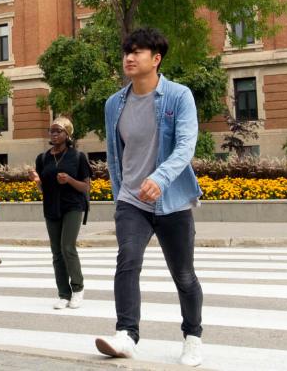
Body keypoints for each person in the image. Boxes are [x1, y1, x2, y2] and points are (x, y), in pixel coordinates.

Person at [95, 28, 203, 367]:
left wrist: (161, 177)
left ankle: (192, 337)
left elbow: (186, 145)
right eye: (127, 51)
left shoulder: (178, 95)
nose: (129, 57)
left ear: (155, 59)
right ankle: (126, 335)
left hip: (172, 200)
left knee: (183, 274)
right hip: (132, 199)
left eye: (137, 51)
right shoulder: (115, 103)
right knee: (127, 260)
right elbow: (115, 155)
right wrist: (120, 196)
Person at [28, 116, 91, 309]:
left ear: (67, 134)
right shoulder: (43, 158)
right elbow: (43, 189)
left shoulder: (78, 157)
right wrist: (36, 180)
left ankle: (78, 288)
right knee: (56, 252)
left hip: (72, 206)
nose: (54, 134)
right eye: (52, 131)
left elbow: (86, 187)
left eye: (58, 131)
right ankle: (64, 293)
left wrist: (70, 180)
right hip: (51, 207)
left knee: (67, 247)